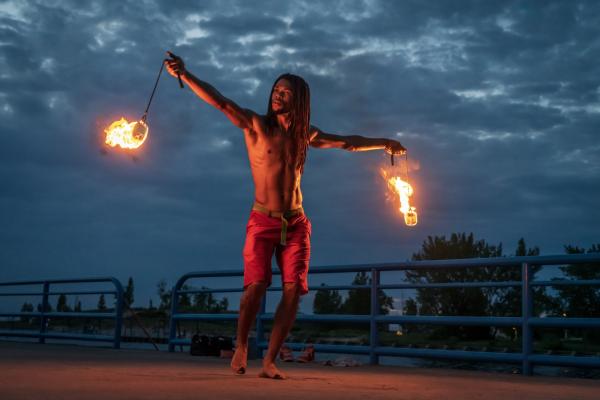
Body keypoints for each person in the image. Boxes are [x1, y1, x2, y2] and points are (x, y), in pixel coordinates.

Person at [165, 51, 406, 379]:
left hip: (295, 223)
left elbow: (349, 142)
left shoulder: (306, 135)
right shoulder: (256, 125)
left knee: (294, 290)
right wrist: (185, 74)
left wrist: (385, 142)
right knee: (257, 286)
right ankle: (241, 346)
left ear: (299, 100)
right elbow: (221, 102)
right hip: (262, 220)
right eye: (275, 91)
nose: (277, 95)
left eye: (285, 92)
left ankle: (270, 360)